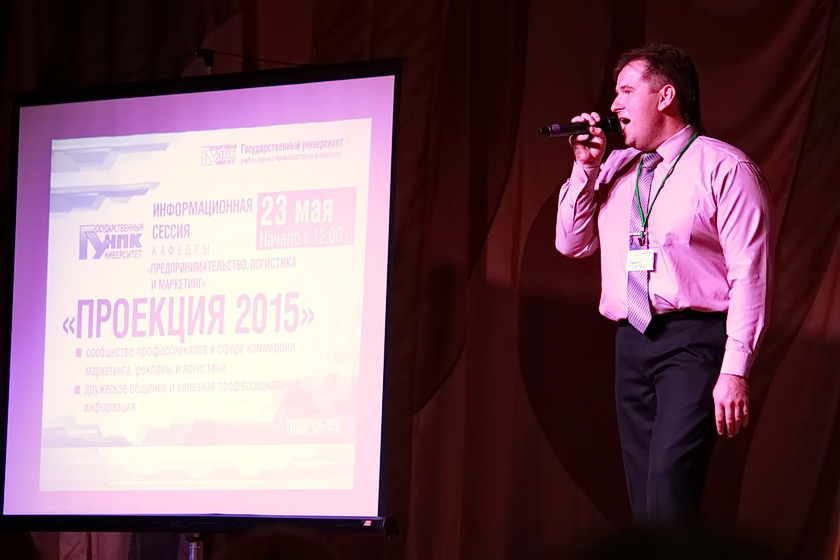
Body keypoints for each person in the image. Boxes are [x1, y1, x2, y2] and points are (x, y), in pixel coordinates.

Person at [555, 44, 770, 525]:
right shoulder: (615, 168)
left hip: (693, 341)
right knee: (644, 497)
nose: (614, 105)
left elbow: (750, 275)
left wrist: (735, 370)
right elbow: (570, 243)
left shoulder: (724, 167)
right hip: (631, 340)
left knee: (670, 482)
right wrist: (586, 167)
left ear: (665, 96)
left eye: (626, 91)